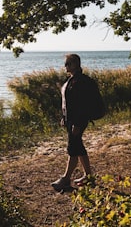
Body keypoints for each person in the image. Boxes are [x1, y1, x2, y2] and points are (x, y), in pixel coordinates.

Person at [51, 53, 94, 192]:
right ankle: (89, 176)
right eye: (65, 63)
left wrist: (78, 123)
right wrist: (64, 117)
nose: (65, 66)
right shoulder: (72, 80)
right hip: (71, 120)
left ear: (75, 64)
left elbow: (82, 105)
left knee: (73, 149)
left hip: (77, 121)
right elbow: (68, 103)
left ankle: (65, 179)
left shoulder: (80, 82)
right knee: (78, 147)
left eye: (68, 63)